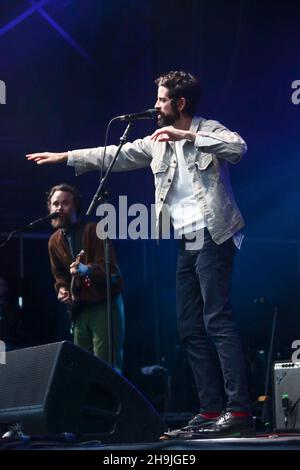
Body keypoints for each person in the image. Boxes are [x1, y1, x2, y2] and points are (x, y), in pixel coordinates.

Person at [27, 71, 254, 438]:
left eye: (162, 100)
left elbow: (238, 148)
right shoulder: (156, 143)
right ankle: (211, 410)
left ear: (180, 103)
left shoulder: (206, 129)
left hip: (214, 234)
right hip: (185, 241)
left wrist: (187, 135)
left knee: (216, 320)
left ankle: (239, 411)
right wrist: (66, 156)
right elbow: (114, 156)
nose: (156, 106)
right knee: (188, 328)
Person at [46, 183, 124, 372]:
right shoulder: (54, 240)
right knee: (82, 366)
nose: (59, 208)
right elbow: (59, 274)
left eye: (65, 203)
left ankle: (109, 402)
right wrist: (62, 289)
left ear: (75, 207)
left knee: (106, 365)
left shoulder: (94, 230)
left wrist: (86, 270)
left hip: (104, 304)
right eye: (55, 204)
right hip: (79, 310)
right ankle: (90, 402)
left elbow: (112, 272)